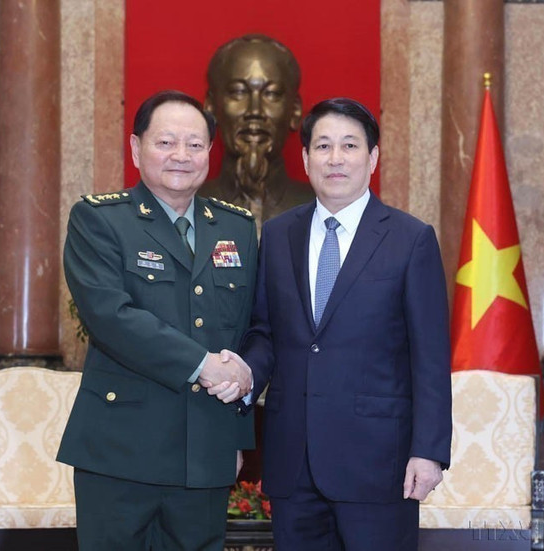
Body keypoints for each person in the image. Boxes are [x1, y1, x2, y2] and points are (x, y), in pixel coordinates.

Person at [215, 98, 452, 550]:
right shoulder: (280, 233)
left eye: (349, 145)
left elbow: (431, 356)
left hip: (379, 464)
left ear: (373, 157)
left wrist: (429, 450)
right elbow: (265, 330)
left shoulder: (410, 238)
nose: (336, 158)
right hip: (292, 461)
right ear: (305, 158)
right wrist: (244, 378)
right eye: (323, 146)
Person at [57, 90, 258, 551]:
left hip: (205, 451)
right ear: (135, 148)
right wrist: (203, 365)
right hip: (120, 451)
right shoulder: (99, 218)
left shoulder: (236, 228)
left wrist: (236, 439)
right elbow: (112, 317)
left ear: (210, 152)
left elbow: (244, 332)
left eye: (194, 144)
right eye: (166, 142)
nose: (181, 156)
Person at [200, 34, 315, 225]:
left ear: (295, 111)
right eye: (238, 92)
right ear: (211, 107)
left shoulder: (321, 210)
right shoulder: (186, 208)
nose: (255, 111)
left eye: (271, 94)